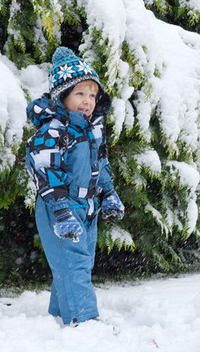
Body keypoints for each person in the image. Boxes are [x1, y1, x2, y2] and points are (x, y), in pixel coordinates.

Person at [25, 46, 126, 325]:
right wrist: (60, 211)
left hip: (87, 207)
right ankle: (84, 322)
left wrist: (108, 193)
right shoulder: (53, 131)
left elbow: (99, 165)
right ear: (62, 96)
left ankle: (59, 315)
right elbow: (46, 171)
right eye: (80, 94)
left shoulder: (92, 129)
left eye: (92, 95)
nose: (87, 101)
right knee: (74, 264)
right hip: (61, 205)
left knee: (76, 263)